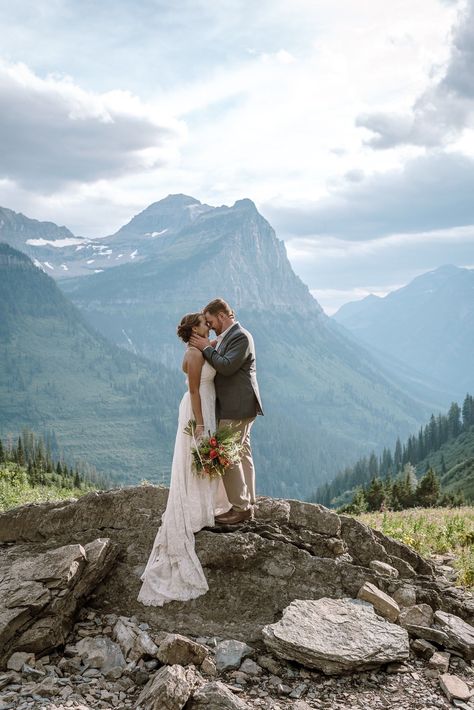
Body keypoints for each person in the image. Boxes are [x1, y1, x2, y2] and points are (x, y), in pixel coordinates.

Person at [137, 312, 229, 606]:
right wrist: (200, 424)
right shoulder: (194, 354)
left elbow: (216, 343)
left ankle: (204, 505)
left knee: (200, 461)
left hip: (204, 405)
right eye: (204, 324)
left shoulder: (199, 347)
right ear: (193, 331)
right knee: (196, 460)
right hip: (196, 409)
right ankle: (196, 509)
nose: (208, 326)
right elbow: (193, 389)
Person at [189, 298, 263, 525]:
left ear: (222, 316)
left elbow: (227, 366)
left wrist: (204, 349)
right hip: (238, 405)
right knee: (242, 453)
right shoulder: (228, 337)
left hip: (237, 406)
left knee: (225, 454)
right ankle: (248, 502)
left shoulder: (240, 336)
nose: (209, 326)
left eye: (211, 321)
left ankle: (240, 508)